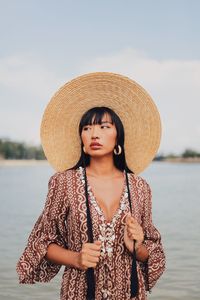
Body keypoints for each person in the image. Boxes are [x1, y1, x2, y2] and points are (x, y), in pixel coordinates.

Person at [16, 72, 166, 300]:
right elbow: (41, 241)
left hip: (130, 294)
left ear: (119, 137)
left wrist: (137, 246)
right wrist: (75, 258)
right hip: (79, 293)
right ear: (81, 138)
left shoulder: (140, 187)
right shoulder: (63, 182)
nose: (94, 134)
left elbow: (152, 252)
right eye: (87, 128)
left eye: (104, 127)